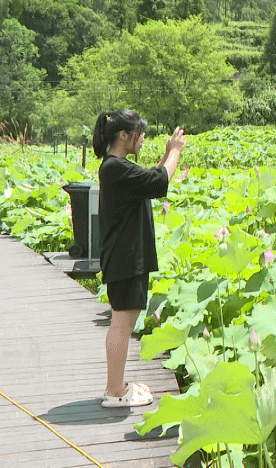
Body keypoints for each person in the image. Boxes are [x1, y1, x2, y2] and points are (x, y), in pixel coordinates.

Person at [92, 109, 185, 408]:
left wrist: (163, 159)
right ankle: (115, 391)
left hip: (125, 257)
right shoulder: (115, 167)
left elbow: (149, 180)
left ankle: (115, 386)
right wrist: (174, 153)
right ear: (123, 135)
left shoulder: (115, 167)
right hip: (125, 258)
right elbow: (159, 182)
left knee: (121, 323)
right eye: (139, 133)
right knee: (121, 325)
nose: (142, 138)